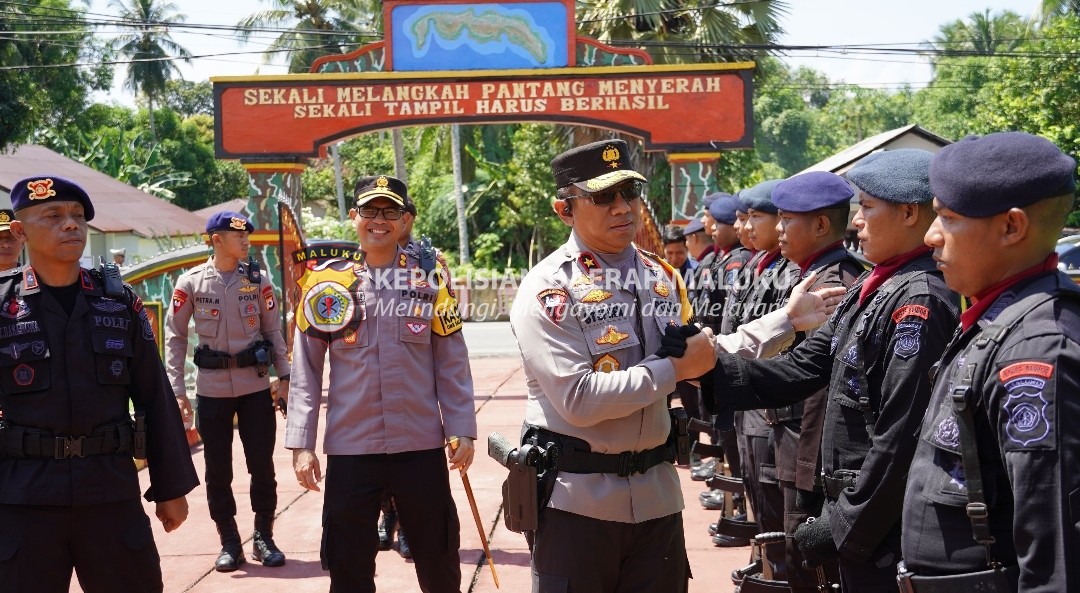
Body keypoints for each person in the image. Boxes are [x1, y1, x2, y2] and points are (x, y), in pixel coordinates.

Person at [510, 139, 842, 593]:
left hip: (657, 503)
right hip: (577, 507)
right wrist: (673, 371)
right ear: (564, 209)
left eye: (629, 192)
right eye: (604, 197)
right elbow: (580, 400)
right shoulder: (549, 289)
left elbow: (706, 354)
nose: (622, 207)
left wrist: (786, 319)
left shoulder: (662, 278)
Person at [703, 149, 961, 591]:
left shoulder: (920, 301)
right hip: (850, 505)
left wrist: (843, 526)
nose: (856, 221)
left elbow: (900, 438)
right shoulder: (874, 285)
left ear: (908, 213)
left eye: (868, 208)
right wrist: (706, 368)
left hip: (879, 528)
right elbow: (802, 367)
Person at [900, 132, 1080, 592]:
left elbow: (1054, 557)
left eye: (948, 217)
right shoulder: (997, 320)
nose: (930, 235)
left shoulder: (1037, 350)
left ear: (1011, 227)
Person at [0, 175, 198, 592]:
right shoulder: (3, 306)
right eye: (52, 216)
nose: (70, 224)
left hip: (109, 492)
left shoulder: (117, 301)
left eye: (77, 216)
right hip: (22, 499)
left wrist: (170, 487)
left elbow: (153, 394)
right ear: (20, 232)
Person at [288, 174, 477, 593]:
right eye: (370, 210)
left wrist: (462, 427)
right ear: (353, 217)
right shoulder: (324, 284)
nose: (379, 220)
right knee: (348, 565)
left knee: (439, 560)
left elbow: (451, 360)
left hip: (421, 445)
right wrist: (302, 444)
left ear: (404, 219)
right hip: (352, 448)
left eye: (390, 211)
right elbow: (305, 372)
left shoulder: (429, 280)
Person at [164, 211, 290, 572]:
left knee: (262, 466)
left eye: (247, 235)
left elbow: (273, 332)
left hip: (254, 386)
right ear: (217, 240)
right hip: (212, 390)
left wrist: (285, 376)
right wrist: (178, 392)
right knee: (217, 470)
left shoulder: (258, 281)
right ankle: (230, 541)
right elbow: (175, 339)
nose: (246, 240)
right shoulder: (190, 284)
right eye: (238, 236)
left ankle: (264, 536)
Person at [769, 171, 865, 592]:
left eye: (787, 219)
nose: (778, 230)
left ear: (822, 225)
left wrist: (807, 472)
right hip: (793, 443)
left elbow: (824, 390)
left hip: (807, 453)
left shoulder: (833, 287)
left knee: (810, 569)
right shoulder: (813, 275)